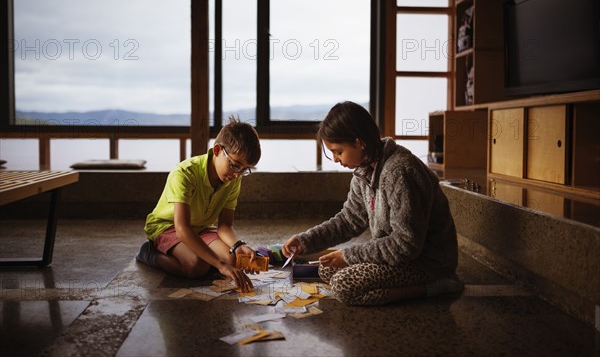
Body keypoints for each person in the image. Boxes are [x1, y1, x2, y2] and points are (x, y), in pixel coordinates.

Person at [282, 101, 463, 306]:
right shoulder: (364, 170)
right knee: (327, 268)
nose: (335, 159)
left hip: (426, 262)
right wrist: (305, 240)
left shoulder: (399, 171)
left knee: (344, 285)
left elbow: (406, 244)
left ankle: (436, 286)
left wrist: (350, 256)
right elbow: (349, 220)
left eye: (338, 151)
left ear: (359, 143)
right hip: (398, 256)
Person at [136, 117, 261, 292]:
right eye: (235, 165)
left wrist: (239, 245)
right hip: (169, 227)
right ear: (217, 150)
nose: (238, 174)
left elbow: (225, 226)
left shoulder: (233, 178)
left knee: (232, 259)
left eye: (244, 170)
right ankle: (150, 254)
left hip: (201, 228)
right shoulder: (185, 173)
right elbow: (182, 229)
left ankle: (203, 257)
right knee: (196, 266)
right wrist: (219, 264)